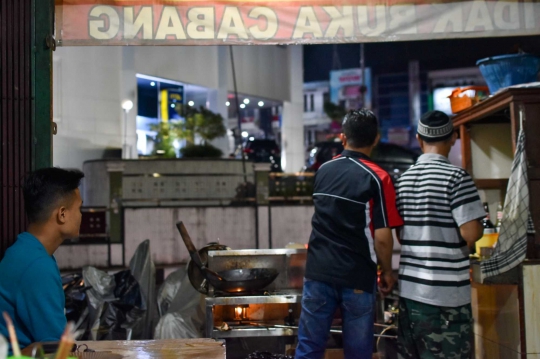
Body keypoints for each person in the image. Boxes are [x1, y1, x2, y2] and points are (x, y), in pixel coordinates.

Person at [295, 109, 404, 359]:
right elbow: (383, 237)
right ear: (376, 139)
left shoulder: (324, 170)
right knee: (358, 352)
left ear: (342, 138)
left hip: (318, 273)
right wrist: (387, 272)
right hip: (356, 276)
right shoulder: (379, 178)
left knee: (309, 348)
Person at [395, 111, 485, 359]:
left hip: (410, 295)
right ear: (453, 137)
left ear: (418, 138)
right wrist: (480, 224)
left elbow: (402, 236)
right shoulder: (456, 178)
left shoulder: (403, 181)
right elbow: (470, 233)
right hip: (447, 300)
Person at [0, 167, 84, 349]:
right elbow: (56, 348)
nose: (81, 215)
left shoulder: (26, 251)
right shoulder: (37, 266)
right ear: (62, 214)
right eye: (79, 208)